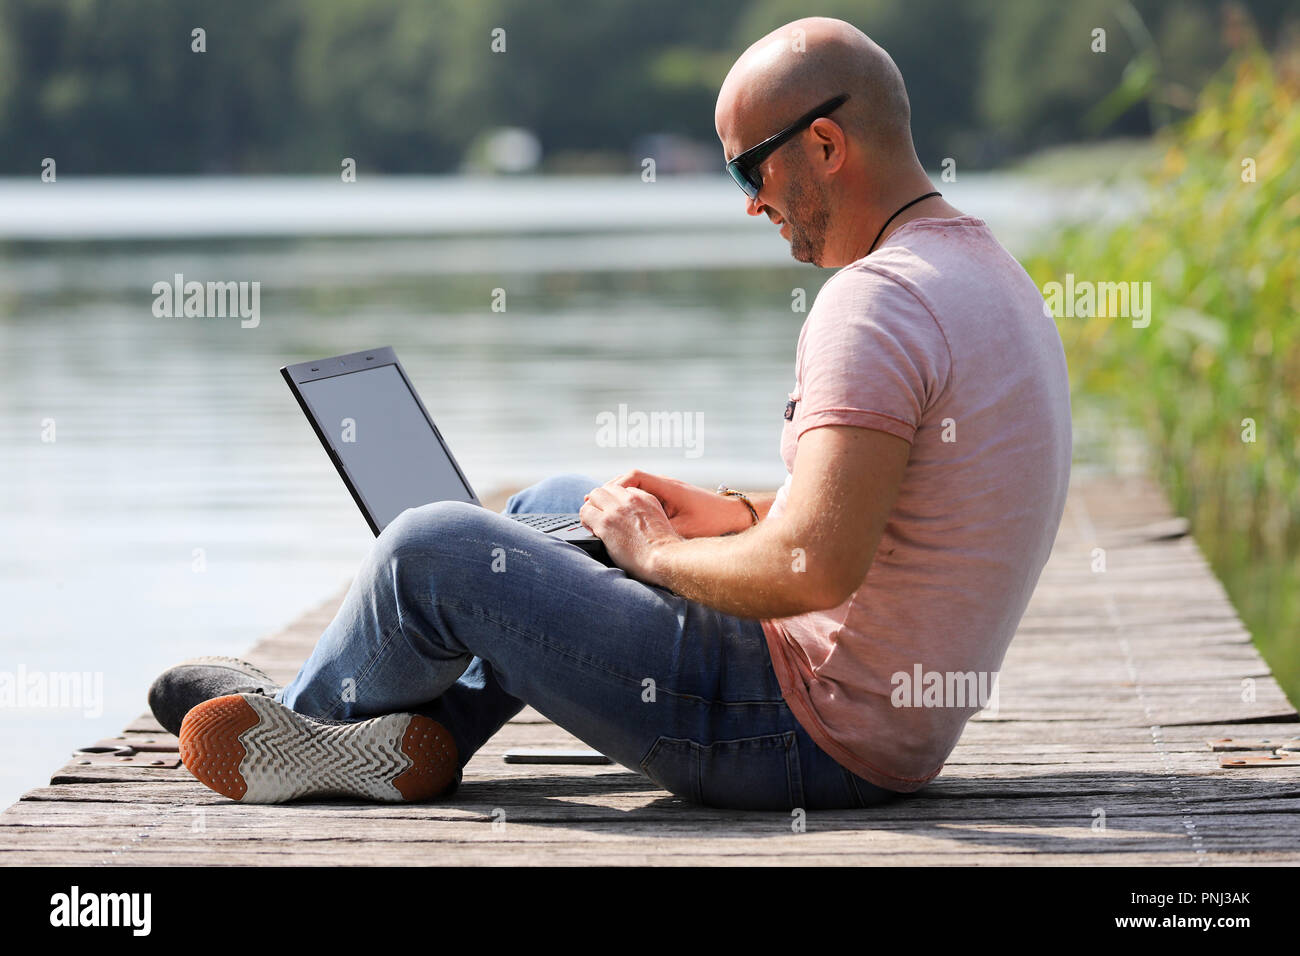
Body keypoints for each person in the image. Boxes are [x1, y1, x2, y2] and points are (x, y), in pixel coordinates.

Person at [152, 16, 1071, 810]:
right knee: (556, 502)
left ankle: (303, 726)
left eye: (750, 168)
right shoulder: (988, 277)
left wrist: (660, 555)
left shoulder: (874, 303)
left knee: (429, 549)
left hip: (797, 734)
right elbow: (884, 515)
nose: (751, 204)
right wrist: (737, 517)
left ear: (825, 145)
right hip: (875, 721)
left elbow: (813, 568)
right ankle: (407, 743)